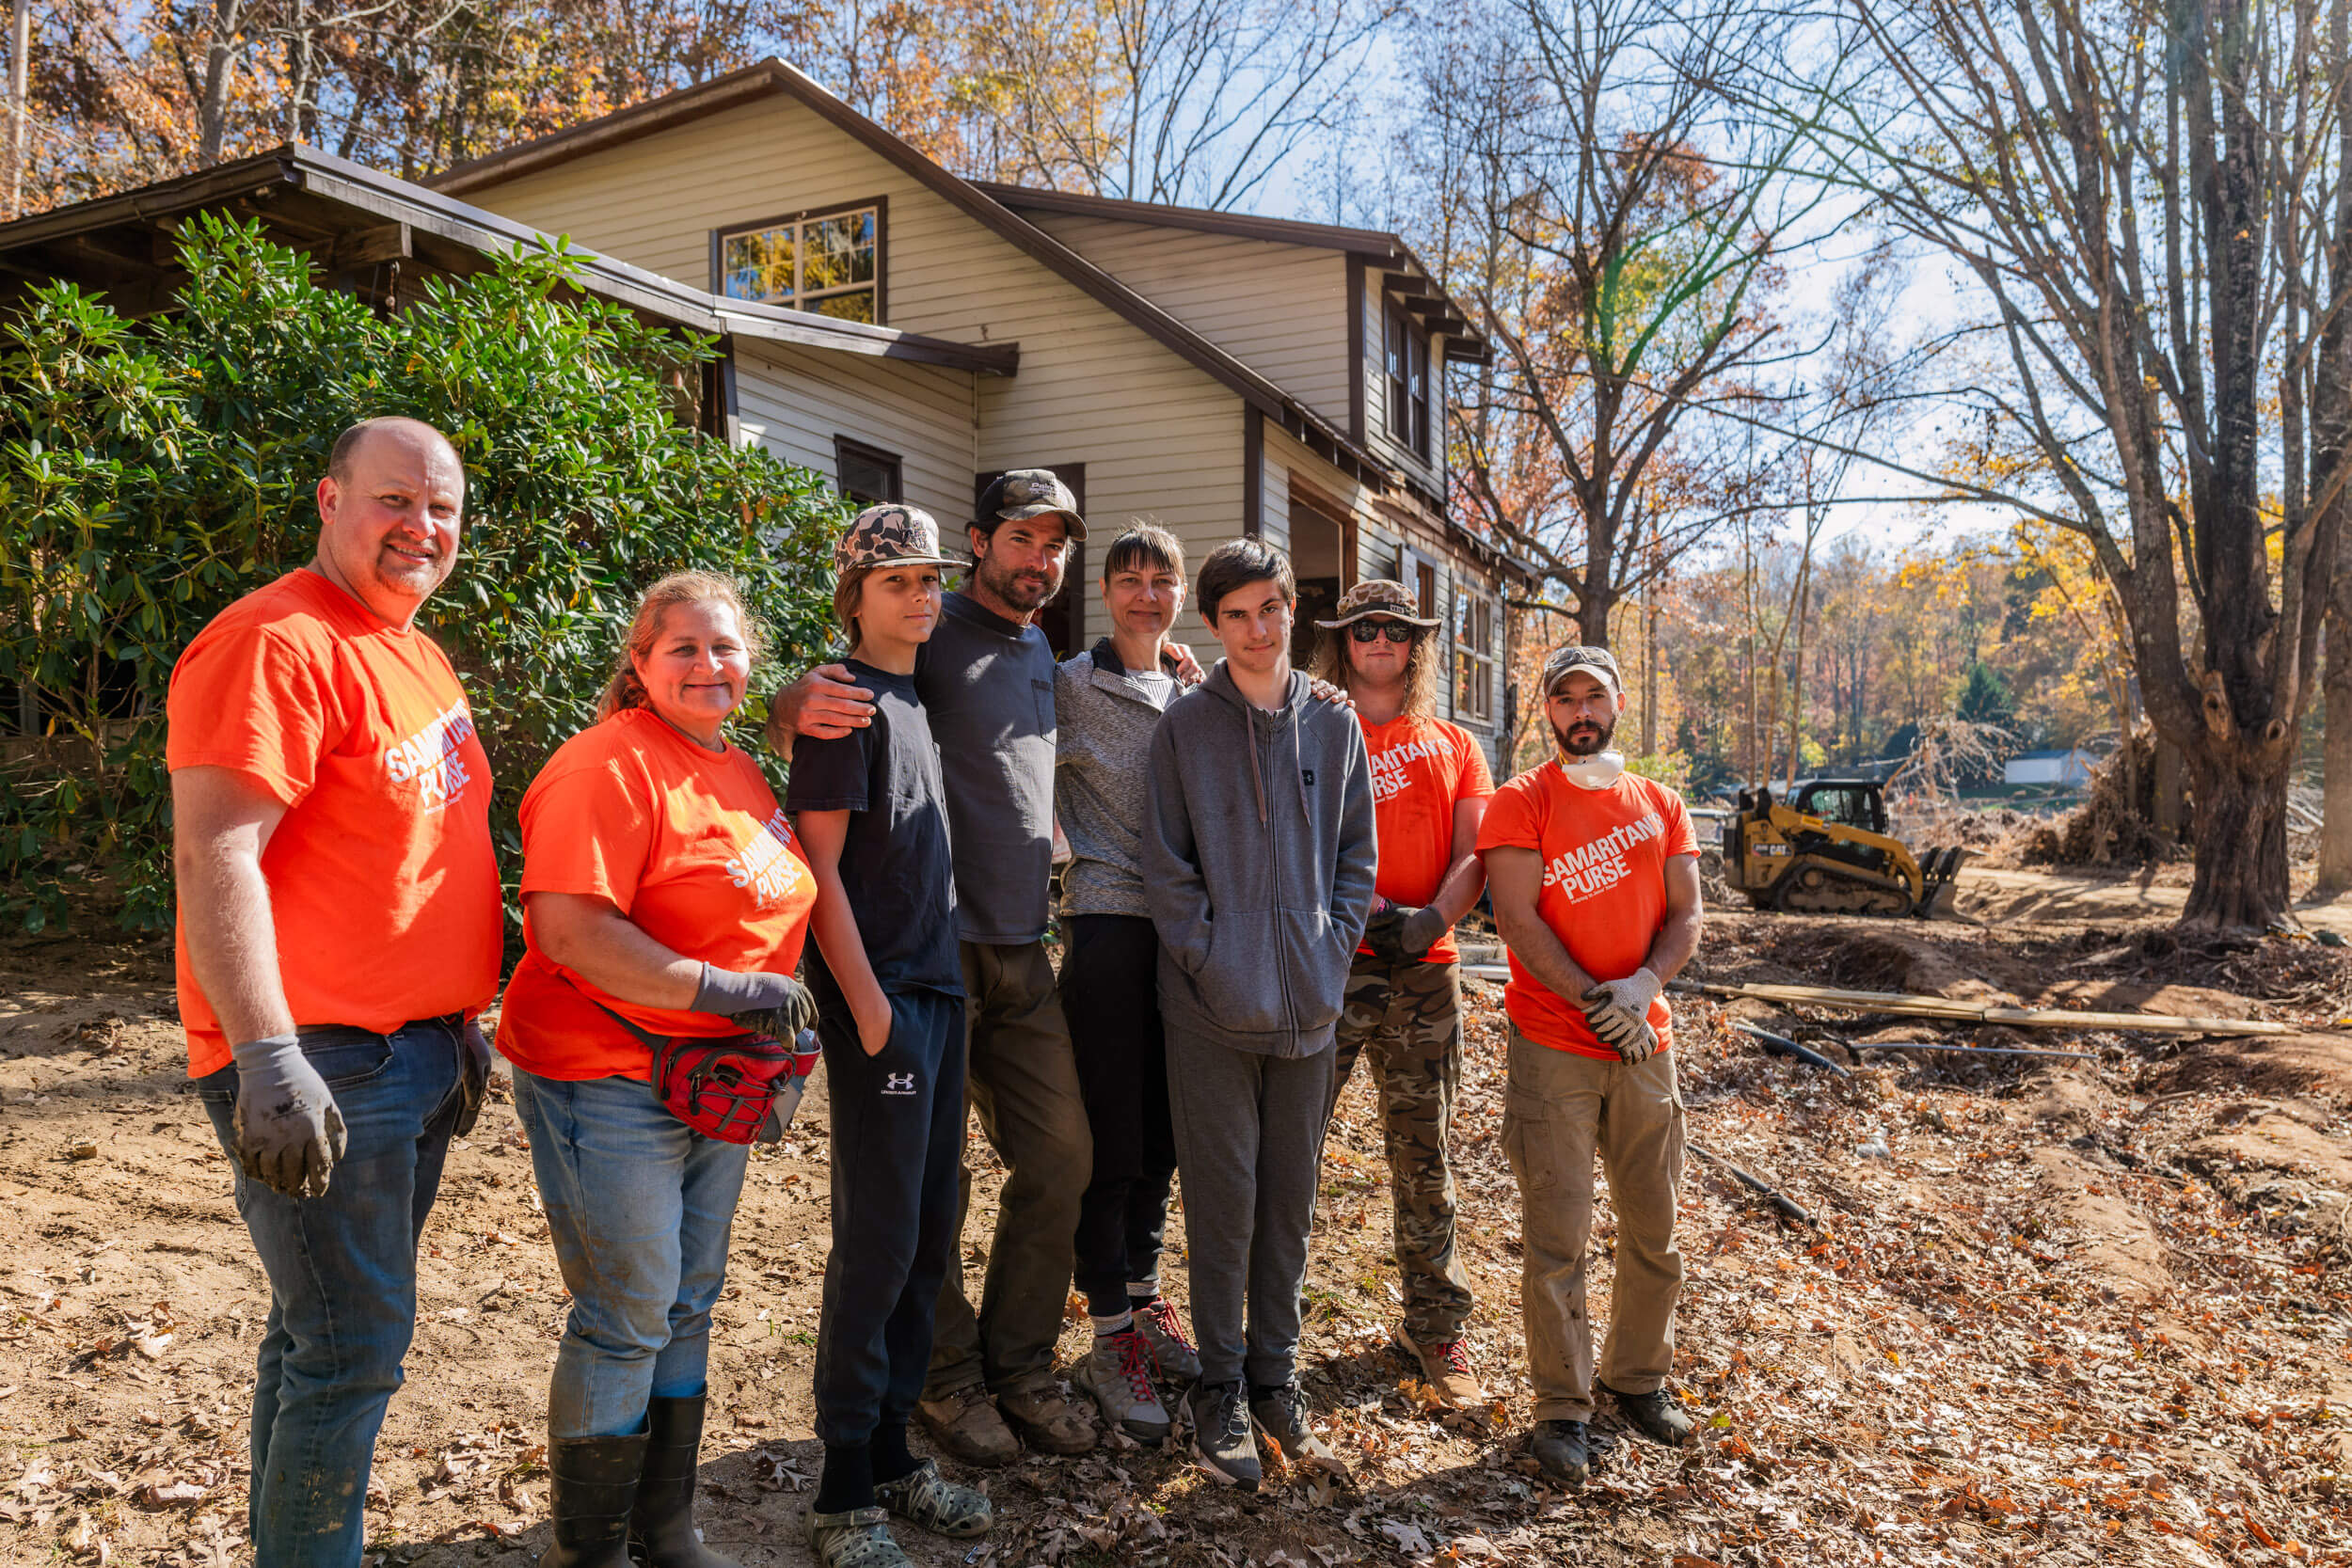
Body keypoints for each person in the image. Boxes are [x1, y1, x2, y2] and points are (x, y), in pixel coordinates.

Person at [168, 416, 502, 1567]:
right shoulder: (276, 639)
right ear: (329, 498)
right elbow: (218, 851)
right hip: (321, 1055)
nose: (421, 527)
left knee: (314, 1332)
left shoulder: (408, 644)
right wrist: (266, 1054)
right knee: (354, 1345)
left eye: (442, 508)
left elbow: (405, 850)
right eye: (394, 501)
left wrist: (460, 1016)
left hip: (412, 1049)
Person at [768, 470, 1099, 1465]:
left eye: (1054, 543)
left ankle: (1019, 1362)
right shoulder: (928, 621)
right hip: (925, 951)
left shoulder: (1038, 641)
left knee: (1060, 1156)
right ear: (979, 540)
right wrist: (788, 697)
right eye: (1020, 537)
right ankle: (941, 1381)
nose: (1037, 557)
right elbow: (831, 699)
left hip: (1017, 946)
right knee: (921, 1183)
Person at [496, 572, 821, 1567]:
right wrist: (731, 992)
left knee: (687, 1299)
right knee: (628, 1309)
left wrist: (775, 1028)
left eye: (723, 646)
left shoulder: (736, 768)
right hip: (608, 1073)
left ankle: (666, 1527)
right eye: (681, 647)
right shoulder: (609, 765)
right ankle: (588, 1550)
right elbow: (567, 926)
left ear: (749, 660)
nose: (706, 664)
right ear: (639, 665)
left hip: (712, 1080)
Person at [1142, 538, 1377, 1492]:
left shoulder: (1332, 723)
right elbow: (1166, 866)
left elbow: (1357, 860)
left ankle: (1277, 1376)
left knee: (1289, 1202)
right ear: (1212, 624)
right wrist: (1215, 959)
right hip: (1210, 1010)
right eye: (1234, 614)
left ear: (1291, 610)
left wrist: (1327, 954)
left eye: (1269, 609)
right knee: (1225, 1201)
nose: (1254, 628)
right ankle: (1222, 1383)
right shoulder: (1185, 727)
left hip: (1309, 1013)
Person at [787, 506, 995, 1568]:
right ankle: (838, 1490)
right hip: (886, 1005)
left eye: (929, 580)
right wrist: (865, 1008)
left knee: (927, 1233)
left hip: (940, 994)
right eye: (896, 581)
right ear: (854, 596)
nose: (920, 596)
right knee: (874, 1242)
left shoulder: (917, 693)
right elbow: (815, 872)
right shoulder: (840, 705)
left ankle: (892, 1455)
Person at [1476, 644, 1705, 1490]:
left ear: (1618, 705)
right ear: (1547, 711)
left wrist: (1643, 986)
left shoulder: (1661, 803)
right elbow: (1517, 918)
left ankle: (1636, 1379)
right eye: (1565, 698)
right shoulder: (1521, 801)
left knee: (1655, 1226)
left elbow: (1687, 914)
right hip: (1555, 1049)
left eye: (1594, 698)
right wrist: (1593, 1001)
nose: (1581, 712)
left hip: (1646, 1050)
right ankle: (1563, 1407)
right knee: (1558, 1235)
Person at [1309, 579, 1495, 1408]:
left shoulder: (1454, 742)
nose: (1379, 639)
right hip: (1326, 966)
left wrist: (1431, 919)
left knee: (1423, 1157)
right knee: (1290, 1151)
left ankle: (1436, 1324)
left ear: (1414, 644)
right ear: (1342, 642)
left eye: (1394, 629)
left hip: (1425, 971)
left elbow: (1477, 853)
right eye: (1362, 629)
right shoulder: (1313, 722)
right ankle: (1264, 1322)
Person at [1053, 523, 1206, 1445]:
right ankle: (1109, 1330)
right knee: (1110, 1139)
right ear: (1105, 591)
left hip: (1187, 937)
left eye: (1162, 580)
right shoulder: (1070, 684)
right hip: (1109, 925)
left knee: (1163, 1132)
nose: (1146, 594)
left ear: (1178, 593)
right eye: (1130, 579)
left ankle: (1147, 1301)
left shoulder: (1196, 686)